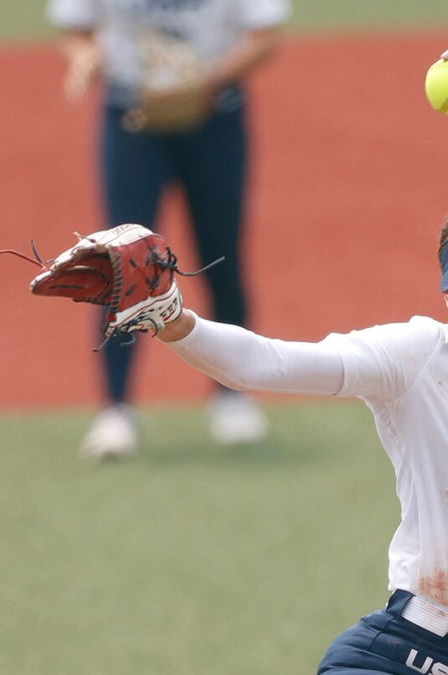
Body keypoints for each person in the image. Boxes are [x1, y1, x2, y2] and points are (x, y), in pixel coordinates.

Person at [143, 37, 448, 673]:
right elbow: (267, 363)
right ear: (445, 294)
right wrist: (175, 320)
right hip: (410, 654)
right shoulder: (415, 358)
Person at [46, 0, 292, 458]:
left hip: (214, 118)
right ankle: (115, 410)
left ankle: (231, 394)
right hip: (131, 120)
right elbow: (74, 30)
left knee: (221, 255)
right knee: (119, 262)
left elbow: (264, 37)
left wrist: (202, 83)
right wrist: (84, 58)